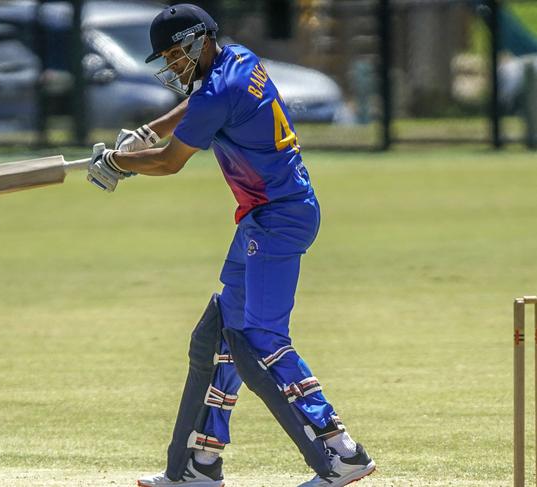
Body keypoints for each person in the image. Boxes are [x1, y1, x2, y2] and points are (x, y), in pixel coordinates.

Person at [86, 4, 375, 487]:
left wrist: (119, 164)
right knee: (226, 333)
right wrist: (148, 132)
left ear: (199, 42)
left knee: (262, 339)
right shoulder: (237, 59)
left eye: (175, 54)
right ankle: (203, 463)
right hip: (268, 216)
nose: (172, 66)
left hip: (277, 220)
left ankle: (342, 450)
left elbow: (171, 163)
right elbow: (196, 106)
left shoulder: (221, 89)